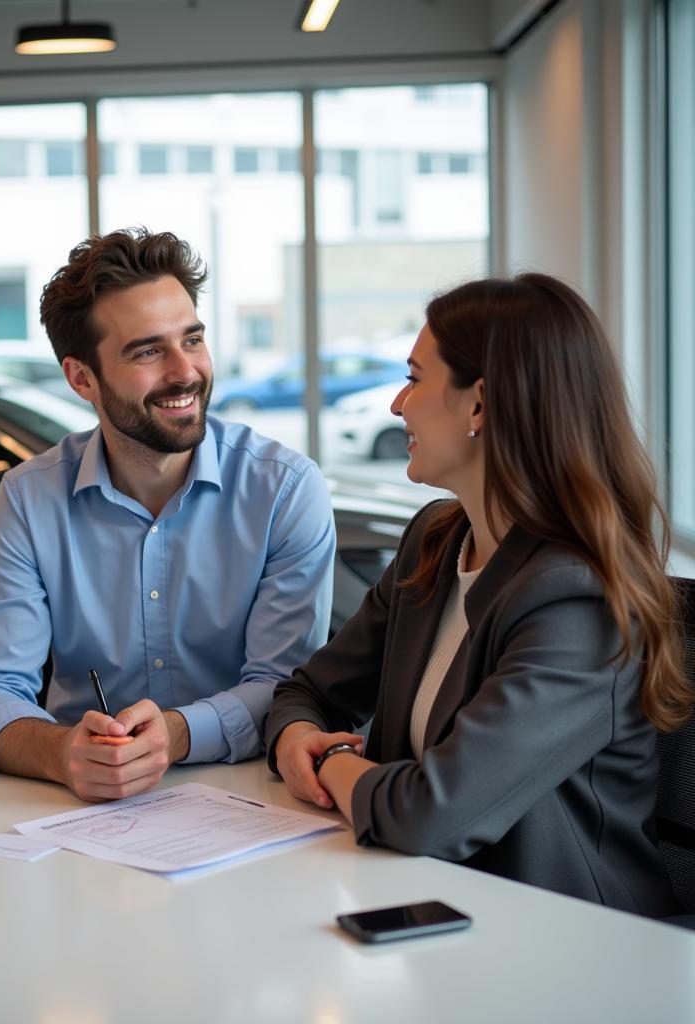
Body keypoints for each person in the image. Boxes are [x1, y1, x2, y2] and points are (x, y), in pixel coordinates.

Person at [268, 272, 689, 915]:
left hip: (569, 947)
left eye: (414, 378)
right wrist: (296, 737)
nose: (396, 405)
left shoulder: (581, 603)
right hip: (430, 904)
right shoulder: (435, 544)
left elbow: (430, 813)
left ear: (480, 405)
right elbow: (309, 692)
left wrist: (332, 769)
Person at [0, 228, 336, 801]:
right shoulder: (30, 498)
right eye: (148, 351)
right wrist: (62, 752)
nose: (185, 371)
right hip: (82, 810)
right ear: (81, 377)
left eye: (192, 340)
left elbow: (287, 688)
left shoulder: (283, 488)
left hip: (256, 803)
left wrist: (177, 735)